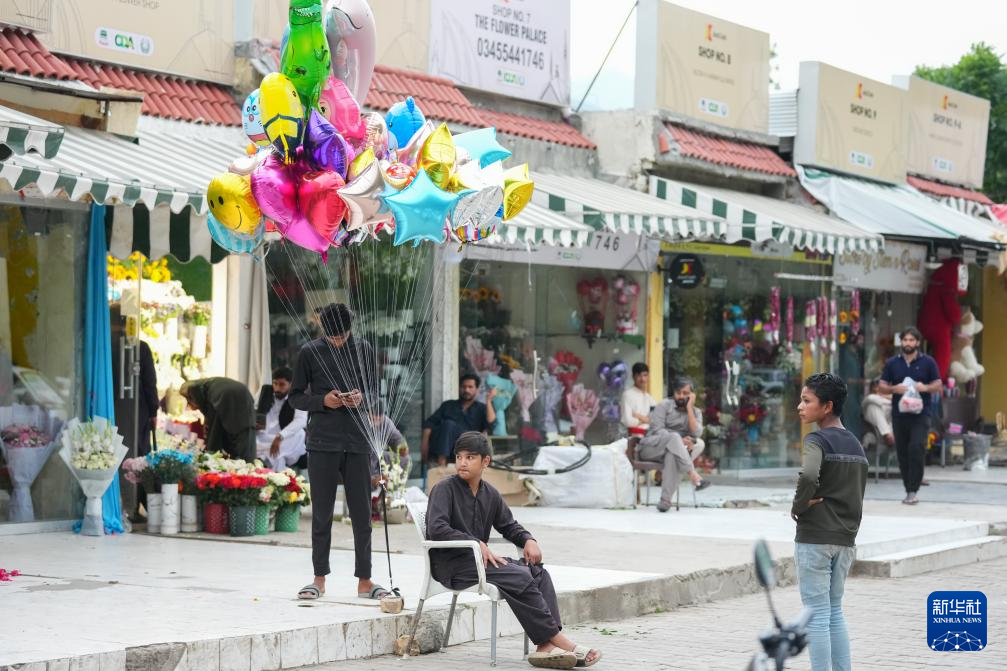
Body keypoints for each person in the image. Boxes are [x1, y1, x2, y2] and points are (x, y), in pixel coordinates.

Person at [425, 432, 602, 669]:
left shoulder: (490, 494)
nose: (462, 463)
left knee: (538, 572)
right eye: (458, 457)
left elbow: (508, 525)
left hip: (482, 564)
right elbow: (436, 528)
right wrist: (475, 542)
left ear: (485, 461)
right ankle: (560, 642)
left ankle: (544, 647)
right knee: (519, 575)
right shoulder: (444, 489)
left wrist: (528, 539)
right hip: (453, 566)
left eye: (470, 457)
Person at [289, 303, 388, 602]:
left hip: (358, 441)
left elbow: (375, 392)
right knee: (322, 514)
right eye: (332, 338)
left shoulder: (364, 349)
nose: (337, 342)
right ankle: (318, 579)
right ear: (323, 329)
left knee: (362, 515)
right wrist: (323, 401)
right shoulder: (309, 352)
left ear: (350, 329)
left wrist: (361, 398)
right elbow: (295, 397)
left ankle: (365, 581)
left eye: (342, 337)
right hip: (322, 442)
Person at [791, 373, 868, 671]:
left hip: (816, 537)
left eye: (806, 401)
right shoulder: (856, 445)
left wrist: (799, 505)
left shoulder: (816, 439)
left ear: (827, 406)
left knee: (816, 614)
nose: (800, 406)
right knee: (834, 611)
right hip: (845, 539)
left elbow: (809, 475)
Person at [878, 327, 942, 505]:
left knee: (916, 447)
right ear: (901, 342)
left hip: (921, 414)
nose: (908, 343)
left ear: (917, 342)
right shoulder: (893, 363)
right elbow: (881, 386)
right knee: (903, 453)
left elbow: (938, 384)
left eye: (911, 340)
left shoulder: (928, 362)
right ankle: (909, 490)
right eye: (905, 340)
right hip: (899, 415)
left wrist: (925, 387)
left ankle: (913, 489)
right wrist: (894, 389)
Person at [637, 377, 711, 512]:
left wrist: (689, 409)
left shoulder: (696, 412)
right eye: (678, 393)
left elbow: (697, 434)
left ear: (692, 395)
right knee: (674, 439)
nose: (681, 396)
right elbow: (657, 430)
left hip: (673, 451)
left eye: (685, 393)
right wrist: (678, 440)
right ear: (674, 393)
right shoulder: (664, 405)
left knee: (694, 446)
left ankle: (665, 501)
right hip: (651, 448)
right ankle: (693, 474)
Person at [421, 373, 496, 467]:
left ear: (477, 390)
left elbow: (491, 424)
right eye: (463, 387)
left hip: (468, 448)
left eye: (470, 387)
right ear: (459, 388)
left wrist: (488, 400)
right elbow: (429, 424)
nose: (466, 390)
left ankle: (443, 464)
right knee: (448, 425)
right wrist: (424, 444)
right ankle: (442, 464)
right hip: (446, 448)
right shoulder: (448, 405)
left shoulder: (481, 408)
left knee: (450, 425)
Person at [179, 377, 256, 461]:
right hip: (244, 395)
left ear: (191, 398)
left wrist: (210, 454)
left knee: (217, 435)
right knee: (245, 432)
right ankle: (245, 461)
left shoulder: (198, 391)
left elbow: (214, 433)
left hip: (224, 396)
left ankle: (239, 462)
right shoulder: (205, 387)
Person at [255, 366, 308, 472]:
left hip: (285, 438)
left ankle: (265, 458)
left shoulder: (298, 397)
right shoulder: (264, 393)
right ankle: (271, 461)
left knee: (300, 434)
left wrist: (280, 436)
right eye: (275, 383)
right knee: (252, 436)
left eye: (282, 384)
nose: (277, 388)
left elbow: (301, 420)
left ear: (291, 384)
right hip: (265, 436)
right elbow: (253, 410)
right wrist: (254, 422)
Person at [621, 362, 657, 438]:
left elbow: (655, 421)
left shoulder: (650, 398)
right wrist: (646, 420)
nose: (642, 379)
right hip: (634, 438)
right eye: (639, 376)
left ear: (648, 377)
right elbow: (628, 421)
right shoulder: (627, 395)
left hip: (651, 436)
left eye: (645, 375)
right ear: (633, 377)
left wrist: (638, 416)